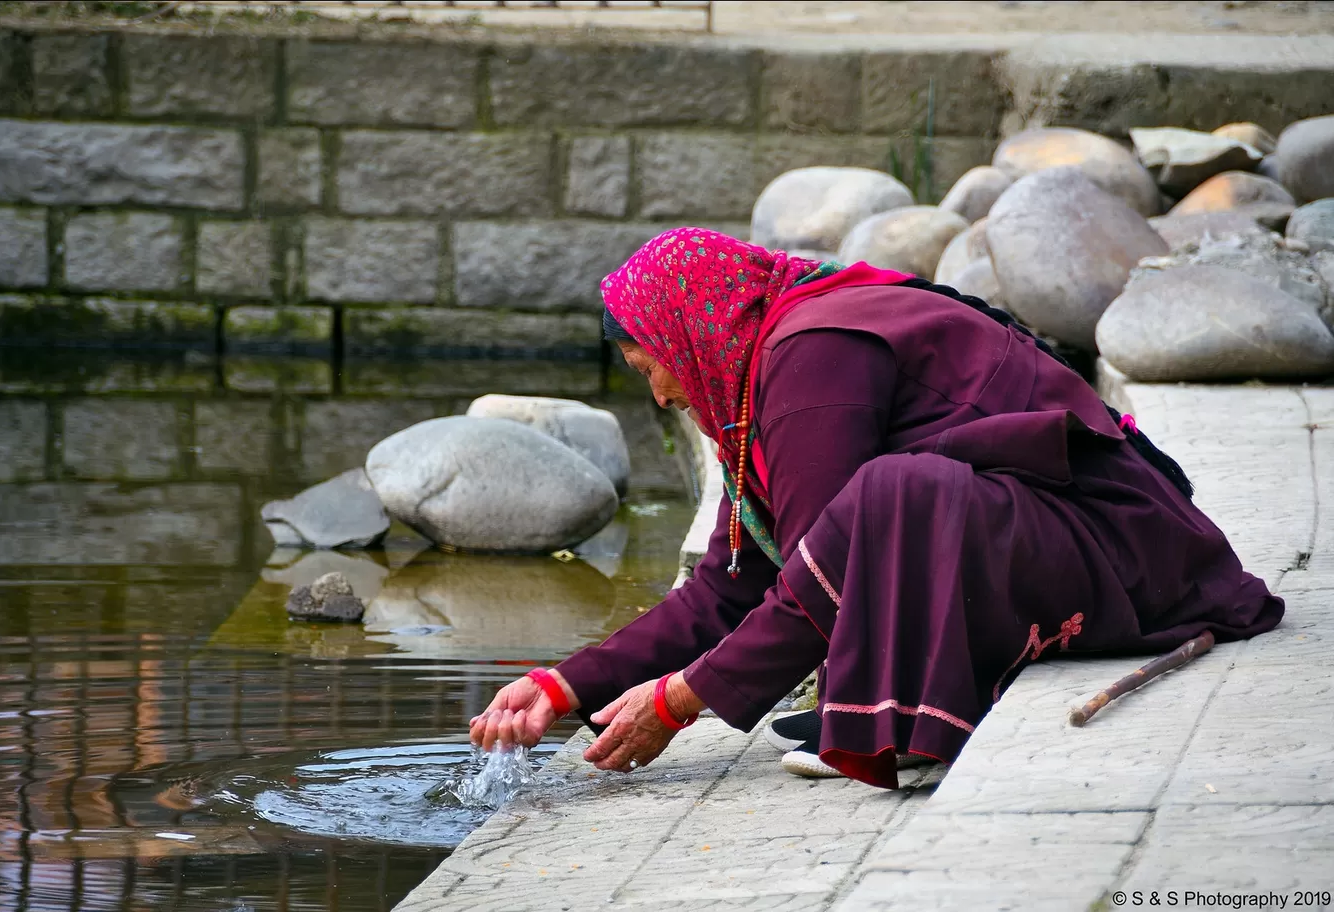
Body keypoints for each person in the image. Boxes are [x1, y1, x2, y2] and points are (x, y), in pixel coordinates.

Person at [468, 227, 1283, 788]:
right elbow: (729, 582)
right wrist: (565, 685)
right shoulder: (764, 378)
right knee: (887, 502)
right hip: (1062, 540)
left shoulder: (812, 357)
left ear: (692, 336)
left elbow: (825, 572)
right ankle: (888, 710)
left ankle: (898, 721)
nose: (662, 392)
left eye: (655, 365)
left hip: (1123, 554)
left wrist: (679, 701)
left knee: (894, 494)